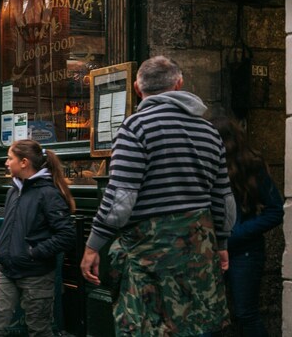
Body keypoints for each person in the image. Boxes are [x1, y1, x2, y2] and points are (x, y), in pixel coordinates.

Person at [80, 56, 235, 335]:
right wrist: (222, 242)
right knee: (196, 325)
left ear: (139, 90)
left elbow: (120, 200)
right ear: (179, 85)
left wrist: (93, 245)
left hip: (150, 253)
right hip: (198, 250)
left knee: (147, 326)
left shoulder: (135, 128)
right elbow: (223, 197)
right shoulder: (209, 132)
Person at [0, 140, 76, 337]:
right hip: (7, 271)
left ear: (24, 162)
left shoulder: (48, 193)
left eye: (10, 158)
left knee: (39, 331)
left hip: (36, 275)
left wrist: (34, 252)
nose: (6, 163)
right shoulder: (13, 191)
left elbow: (67, 235)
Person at [210, 113, 281, 336]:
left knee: (245, 313)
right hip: (210, 252)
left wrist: (235, 234)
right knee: (209, 316)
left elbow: (275, 211)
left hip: (245, 253)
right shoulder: (206, 167)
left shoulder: (252, 167)